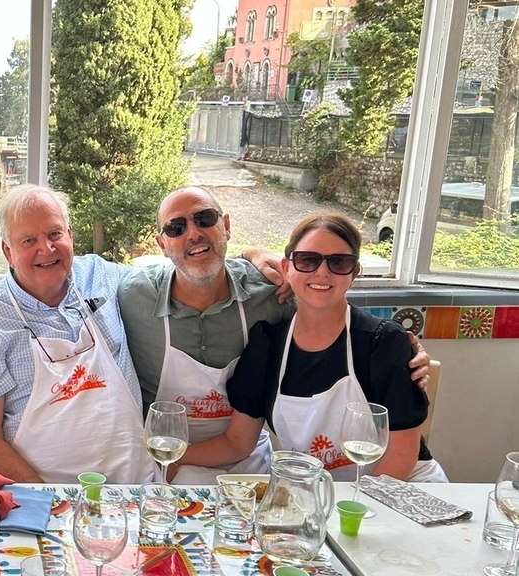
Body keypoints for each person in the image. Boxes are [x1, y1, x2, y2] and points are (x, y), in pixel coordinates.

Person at [120, 187, 432, 484]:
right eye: (176, 228)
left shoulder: (273, 299)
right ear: (288, 269)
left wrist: (402, 350)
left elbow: (403, 452)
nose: (321, 274)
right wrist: (164, 458)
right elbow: (236, 441)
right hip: (271, 480)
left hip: (385, 490)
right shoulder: (267, 344)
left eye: (338, 263)